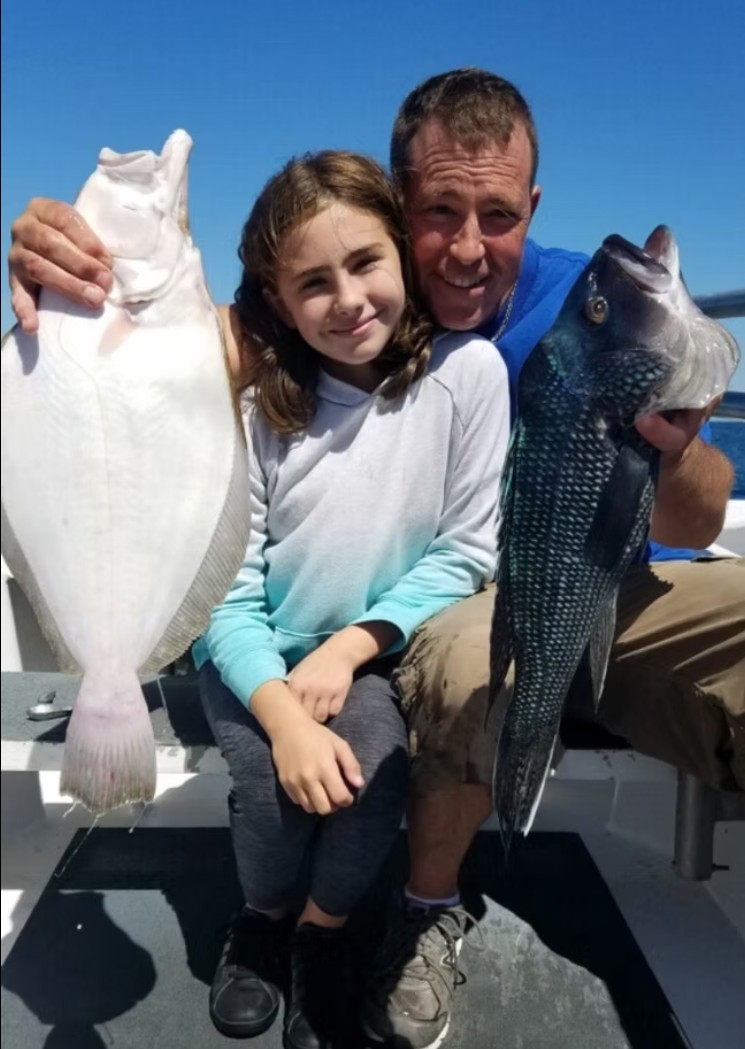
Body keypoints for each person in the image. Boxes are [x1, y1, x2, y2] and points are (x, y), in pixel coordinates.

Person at [7, 68, 744, 1049]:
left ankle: (338, 922)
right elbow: (123, 375)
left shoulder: (581, 305)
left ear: (533, 206)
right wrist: (66, 276)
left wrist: (672, 434)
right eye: (439, 212)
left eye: (497, 212)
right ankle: (345, 915)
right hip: (388, 630)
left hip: (589, 591)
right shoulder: (277, 348)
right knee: (357, 728)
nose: (469, 246)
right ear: (400, 210)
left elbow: (682, 526)